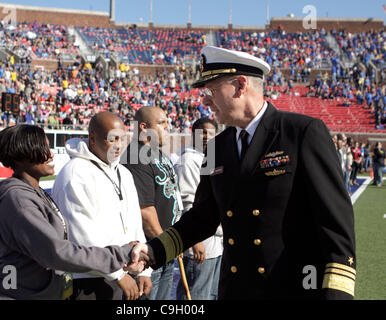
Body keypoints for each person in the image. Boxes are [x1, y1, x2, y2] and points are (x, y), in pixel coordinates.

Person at [134, 46, 356, 300]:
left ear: (240, 86)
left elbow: (336, 227)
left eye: (212, 90)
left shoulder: (301, 133)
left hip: (292, 290)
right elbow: (202, 217)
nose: (205, 101)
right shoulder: (217, 146)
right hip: (237, 290)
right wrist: (153, 251)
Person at [0, 124, 145, 300]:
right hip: (11, 294)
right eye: (42, 149)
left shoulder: (33, 191)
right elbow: (56, 252)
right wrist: (121, 254)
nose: (50, 154)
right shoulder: (17, 199)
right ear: (21, 157)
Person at [51, 112, 152, 300]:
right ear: (92, 138)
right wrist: (118, 274)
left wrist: (145, 269)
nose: (119, 145)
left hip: (125, 272)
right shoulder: (75, 173)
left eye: (123, 139)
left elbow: (135, 222)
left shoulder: (123, 172)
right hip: (88, 280)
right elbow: (81, 234)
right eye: (112, 139)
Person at [121, 106, 183, 300]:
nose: (168, 126)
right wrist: (170, 243)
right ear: (144, 127)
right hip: (148, 254)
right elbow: (145, 211)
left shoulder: (159, 155)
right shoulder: (136, 156)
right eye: (161, 122)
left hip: (165, 248)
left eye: (167, 122)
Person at [174, 117, 223, 300]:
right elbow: (185, 202)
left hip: (216, 241)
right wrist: (195, 239)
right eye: (201, 132)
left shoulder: (208, 158)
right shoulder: (188, 160)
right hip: (201, 241)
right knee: (195, 296)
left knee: (211, 294)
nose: (206, 136)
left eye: (210, 133)